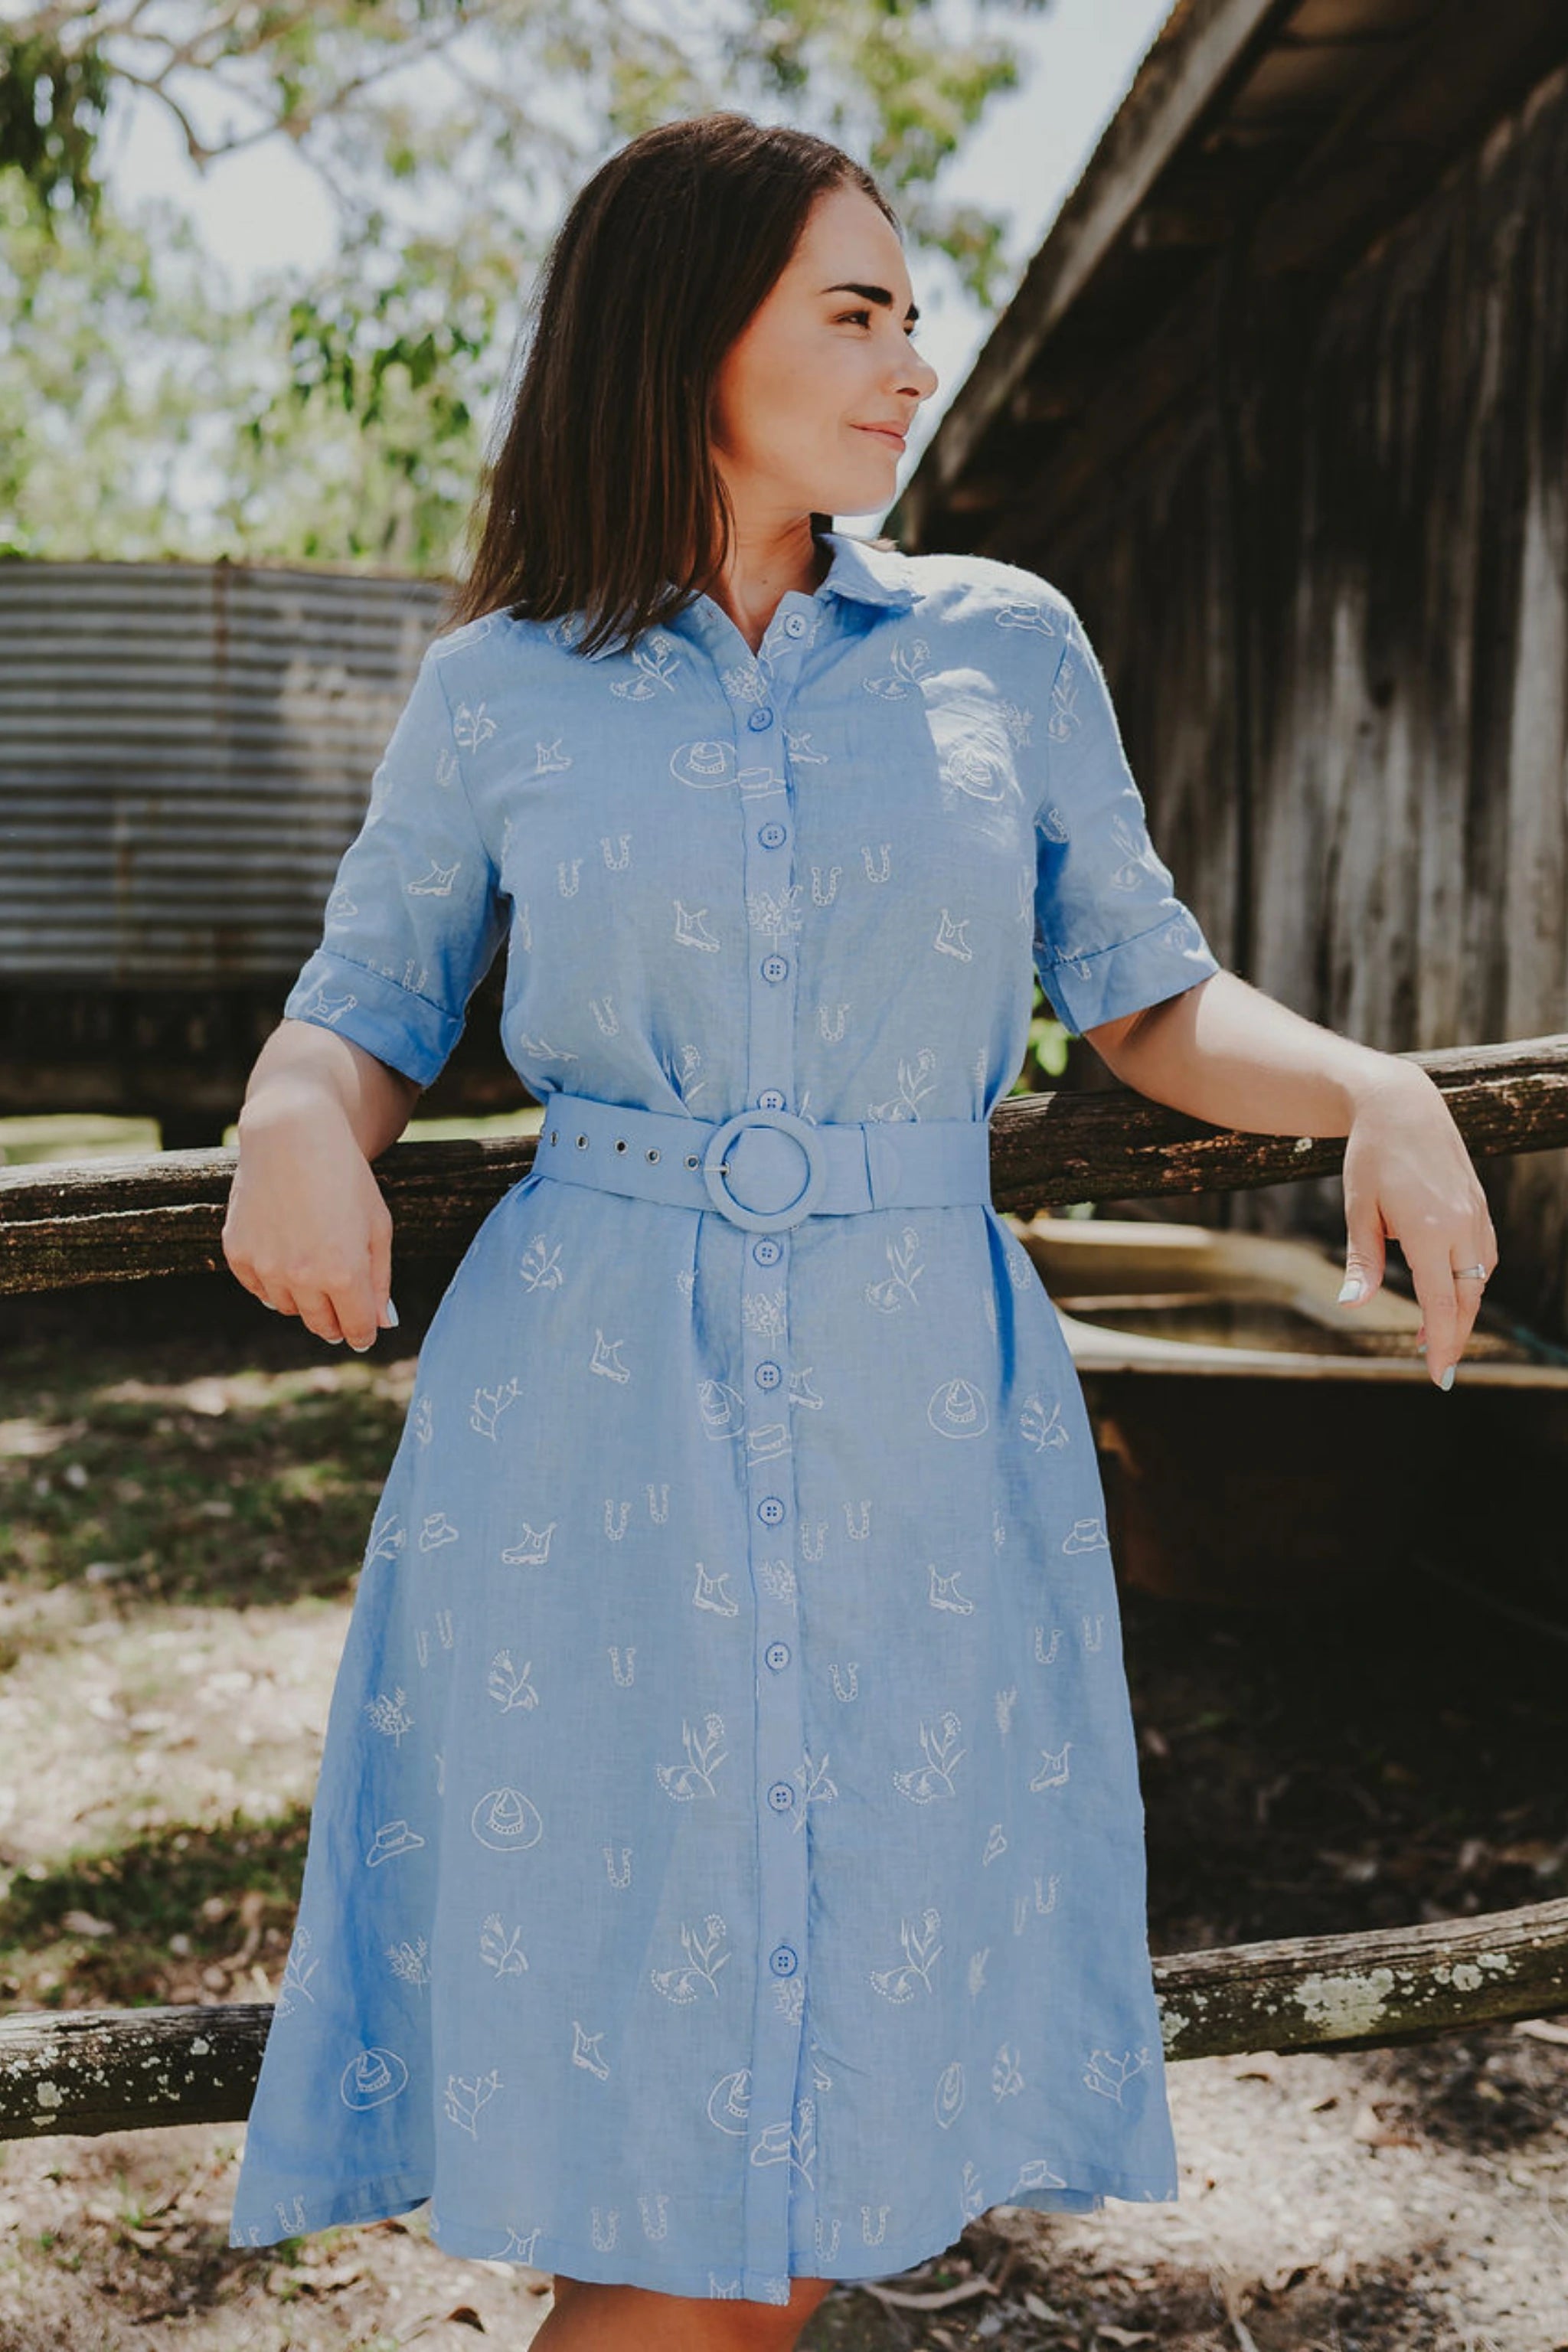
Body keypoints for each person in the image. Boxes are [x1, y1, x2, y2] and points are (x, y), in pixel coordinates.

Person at [220, 110, 1498, 2352]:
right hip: (591, 1434)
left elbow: (1146, 995)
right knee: (668, 2108)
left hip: (922, 1415)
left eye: (914, 316)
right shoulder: (500, 686)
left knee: (832, 2119)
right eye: (857, 313)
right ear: (683, 333)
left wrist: (1374, 1089)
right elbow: (367, 1008)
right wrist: (289, 1116)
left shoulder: (1005, 647)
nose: (915, 363)